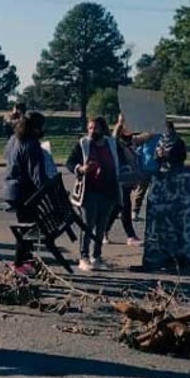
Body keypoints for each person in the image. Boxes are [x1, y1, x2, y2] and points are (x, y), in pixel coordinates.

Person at [66, 116, 123, 272]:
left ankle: (96, 257)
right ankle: (83, 257)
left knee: (101, 226)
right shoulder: (83, 144)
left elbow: (121, 161)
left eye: (95, 128)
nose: (91, 131)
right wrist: (81, 169)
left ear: (102, 129)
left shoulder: (111, 143)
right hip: (89, 192)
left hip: (108, 191)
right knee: (88, 225)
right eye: (90, 128)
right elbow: (70, 162)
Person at [4, 112, 49, 270]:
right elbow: (37, 174)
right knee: (27, 227)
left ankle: (26, 260)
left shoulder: (13, 140)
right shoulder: (31, 143)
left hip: (12, 189)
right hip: (25, 191)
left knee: (26, 225)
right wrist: (47, 190)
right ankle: (19, 262)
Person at [106, 113, 144, 246]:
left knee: (117, 207)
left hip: (128, 177)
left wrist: (156, 126)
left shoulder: (132, 140)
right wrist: (119, 122)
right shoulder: (117, 141)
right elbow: (113, 137)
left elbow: (145, 137)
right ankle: (131, 236)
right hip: (119, 178)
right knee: (125, 205)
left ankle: (104, 231)